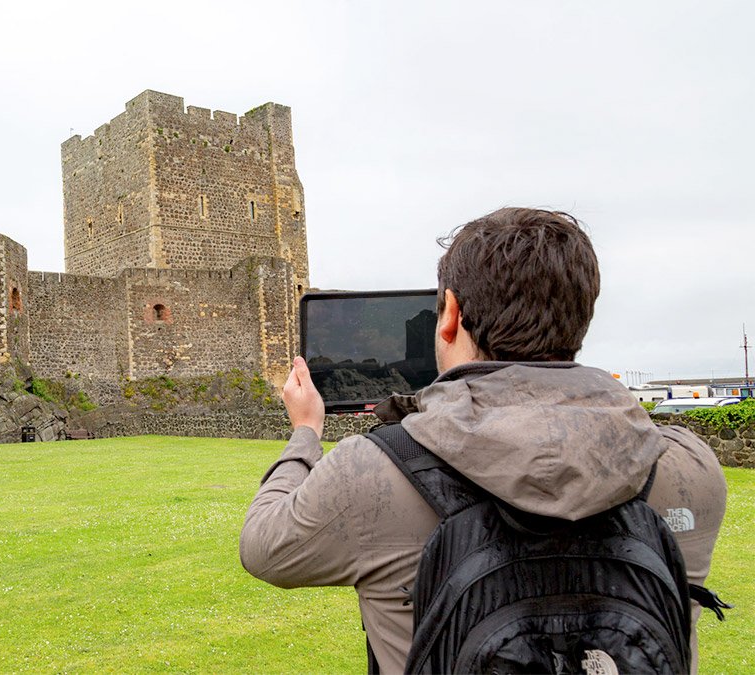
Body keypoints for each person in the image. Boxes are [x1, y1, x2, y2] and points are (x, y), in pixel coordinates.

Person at [239, 207, 727, 673]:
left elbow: (264, 547)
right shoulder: (688, 469)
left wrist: (305, 432)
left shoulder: (372, 474)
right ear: (580, 315)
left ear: (450, 313)